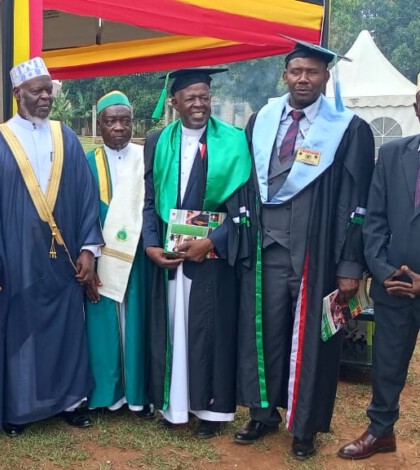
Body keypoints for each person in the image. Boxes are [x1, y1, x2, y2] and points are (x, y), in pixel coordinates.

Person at [233, 38, 374, 459]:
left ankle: (305, 425)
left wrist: (350, 264)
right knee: (264, 333)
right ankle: (262, 414)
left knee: (313, 340)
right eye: (296, 71)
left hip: (319, 254)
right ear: (285, 75)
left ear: (326, 77)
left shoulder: (349, 130)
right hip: (267, 251)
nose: (303, 78)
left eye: (312, 71)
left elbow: (359, 204)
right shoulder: (260, 120)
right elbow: (245, 184)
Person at [0, 57, 103, 436]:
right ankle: (18, 407)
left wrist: (89, 249)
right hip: (15, 257)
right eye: (37, 91)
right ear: (18, 93)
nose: (45, 97)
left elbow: (86, 197)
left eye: (48, 90)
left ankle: (71, 401)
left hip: (63, 255)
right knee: (19, 329)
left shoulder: (66, 136)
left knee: (65, 327)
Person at [142, 69, 252, 438]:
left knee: (209, 330)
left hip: (212, 259)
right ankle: (175, 407)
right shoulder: (158, 141)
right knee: (174, 329)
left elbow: (245, 207)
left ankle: (210, 411)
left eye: (204, 96)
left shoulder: (233, 142)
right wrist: (151, 244)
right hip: (170, 255)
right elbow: (149, 199)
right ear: (174, 102)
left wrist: (214, 241)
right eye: (190, 97)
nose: (199, 104)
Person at [337, 90, 420, 460]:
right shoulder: (392, 154)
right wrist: (383, 271)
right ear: (417, 107)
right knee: (387, 363)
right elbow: (373, 220)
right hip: (395, 284)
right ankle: (381, 431)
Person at [84, 91, 152, 418]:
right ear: (99, 124)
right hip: (100, 255)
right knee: (103, 327)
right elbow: (81, 213)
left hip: (138, 255)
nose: (119, 128)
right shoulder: (86, 162)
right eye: (111, 121)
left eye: (125, 121)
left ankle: (139, 396)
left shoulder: (145, 157)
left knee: (138, 322)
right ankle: (107, 396)